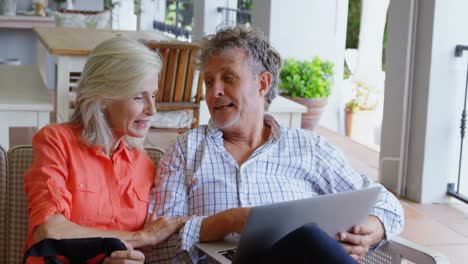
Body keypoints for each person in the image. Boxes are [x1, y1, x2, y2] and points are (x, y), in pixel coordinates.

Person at [145, 26, 404, 263]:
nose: (215, 92)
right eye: (209, 81)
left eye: (228, 78)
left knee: (310, 240)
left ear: (263, 83)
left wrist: (370, 231)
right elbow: (158, 245)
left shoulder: (309, 148)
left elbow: (387, 204)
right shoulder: (186, 150)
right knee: (310, 239)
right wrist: (227, 222)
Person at [23, 37, 191, 264]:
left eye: (153, 95)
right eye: (139, 97)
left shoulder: (145, 164)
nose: (152, 110)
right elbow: (51, 231)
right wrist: (139, 237)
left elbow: (149, 247)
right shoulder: (56, 142)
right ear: (103, 98)